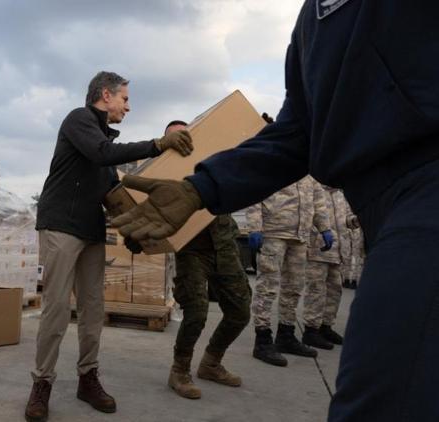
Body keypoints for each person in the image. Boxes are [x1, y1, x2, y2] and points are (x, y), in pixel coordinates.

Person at [111, 2, 439, 420]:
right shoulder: (312, 23)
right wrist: (201, 188)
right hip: (381, 210)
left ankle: (219, 358)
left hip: (426, 193)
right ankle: (193, 365)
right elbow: (296, 133)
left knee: (382, 391)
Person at [25, 71, 193, 422]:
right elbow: (102, 154)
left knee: (93, 308)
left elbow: (111, 194)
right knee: (56, 309)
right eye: (125, 99)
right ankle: (42, 383)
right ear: (106, 95)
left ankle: (88, 378)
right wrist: (157, 144)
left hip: (89, 229)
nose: (127, 107)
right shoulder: (80, 120)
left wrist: (137, 232)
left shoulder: (101, 138)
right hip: (61, 225)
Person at [152, 120, 250, 400]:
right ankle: (179, 371)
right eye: (174, 137)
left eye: (186, 135)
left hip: (224, 243)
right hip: (192, 249)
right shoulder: (163, 174)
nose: (181, 141)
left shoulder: (211, 161)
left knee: (240, 311)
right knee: (196, 312)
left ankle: (211, 363)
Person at [246, 176, 332, 366]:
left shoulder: (310, 171)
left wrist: (325, 228)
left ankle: (286, 335)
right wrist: (254, 227)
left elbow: (318, 200)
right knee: (267, 288)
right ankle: (262, 340)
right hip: (273, 232)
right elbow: (254, 190)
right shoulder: (274, 159)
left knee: (293, 288)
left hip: (301, 235)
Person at [301, 183, 347, 350]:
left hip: (337, 252)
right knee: (316, 291)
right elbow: (306, 216)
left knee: (335, 290)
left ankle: (326, 327)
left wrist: (354, 221)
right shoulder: (315, 190)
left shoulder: (340, 195)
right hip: (317, 250)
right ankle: (311, 330)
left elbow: (345, 220)